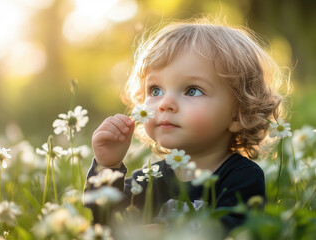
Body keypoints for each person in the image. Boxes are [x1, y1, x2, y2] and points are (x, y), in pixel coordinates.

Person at [85, 18, 287, 231]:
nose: (165, 104)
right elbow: (105, 225)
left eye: (192, 90)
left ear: (238, 115)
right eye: (155, 90)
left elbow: (236, 232)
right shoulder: (149, 179)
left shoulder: (242, 178)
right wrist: (108, 166)